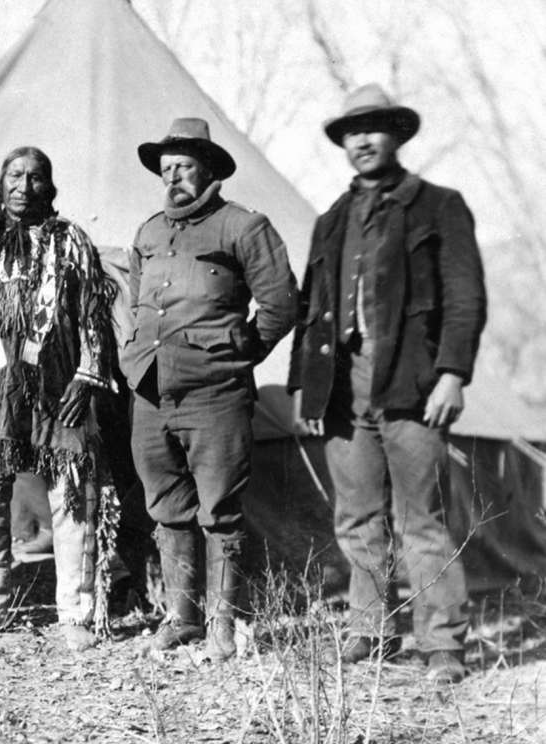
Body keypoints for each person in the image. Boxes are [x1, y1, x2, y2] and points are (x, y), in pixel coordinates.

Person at [289, 84, 486, 684]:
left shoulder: (439, 207)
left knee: (421, 518)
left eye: (374, 128)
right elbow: (309, 310)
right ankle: (371, 631)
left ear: (396, 135)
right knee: (355, 517)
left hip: (412, 383)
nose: (363, 140)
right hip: (342, 388)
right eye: (352, 131)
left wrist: (452, 374)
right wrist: (307, 386)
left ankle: (442, 643)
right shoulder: (331, 221)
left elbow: (464, 299)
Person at [122, 118, 297, 660]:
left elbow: (282, 304)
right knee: (167, 505)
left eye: (184, 166)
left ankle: (224, 625)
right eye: (165, 167)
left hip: (214, 395)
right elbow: (135, 303)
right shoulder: (149, 232)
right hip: (150, 392)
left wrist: (236, 355)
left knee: (218, 510)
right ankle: (183, 618)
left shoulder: (244, 228)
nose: (172, 176)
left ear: (209, 170)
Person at [0, 146, 118, 652]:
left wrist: (87, 379)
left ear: (51, 186)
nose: (24, 186)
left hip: (59, 385)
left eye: (35, 177)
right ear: (1, 185)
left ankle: (76, 611)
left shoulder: (72, 242)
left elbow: (93, 313)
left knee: (71, 495)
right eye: (15, 176)